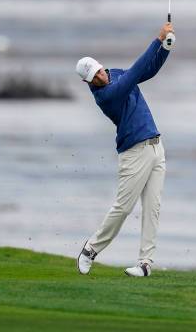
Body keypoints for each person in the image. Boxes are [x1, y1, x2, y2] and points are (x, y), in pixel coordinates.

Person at [75, 22, 174, 277]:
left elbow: (146, 71)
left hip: (156, 147)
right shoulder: (105, 96)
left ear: (99, 65)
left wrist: (165, 48)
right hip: (134, 153)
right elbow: (134, 75)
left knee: (153, 207)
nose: (99, 77)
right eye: (93, 78)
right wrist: (157, 39)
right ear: (89, 82)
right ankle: (90, 250)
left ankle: (145, 264)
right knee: (123, 207)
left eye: (98, 71)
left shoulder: (115, 73)